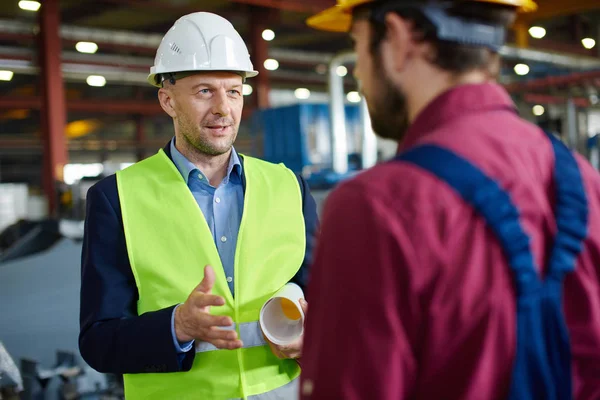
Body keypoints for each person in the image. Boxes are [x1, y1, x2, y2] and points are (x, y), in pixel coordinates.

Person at [301, 1, 600, 399]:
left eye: (357, 45)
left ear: (398, 37)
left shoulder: (376, 205)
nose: (357, 71)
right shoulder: (582, 178)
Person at [79, 12, 318, 400]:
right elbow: (98, 340)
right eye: (205, 91)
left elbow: (326, 300)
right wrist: (177, 326)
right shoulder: (116, 197)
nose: (224, 109)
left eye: (235, 91)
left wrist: (315, 338)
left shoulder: (288, 186)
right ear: (168, 100)